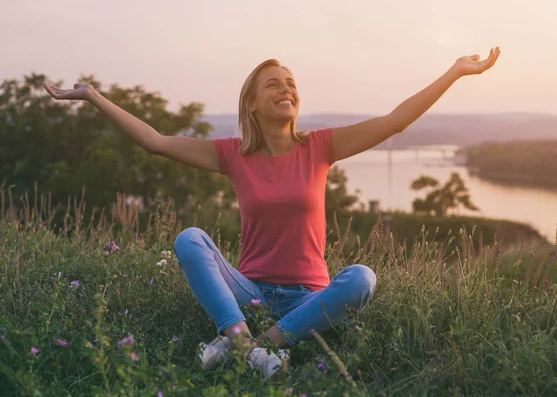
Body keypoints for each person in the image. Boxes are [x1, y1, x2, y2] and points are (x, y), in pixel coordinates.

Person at [43, 46, 501, 378]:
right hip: (252, 292)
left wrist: (455, 72)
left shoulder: (321, 146)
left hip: (309, 297)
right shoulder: (233, 154)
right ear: (253, 103)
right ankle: (252, 344)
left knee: (361, 278)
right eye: (273, 84)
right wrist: (93, 97)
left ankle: (250, 346)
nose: (286, 89)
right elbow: (155, 142)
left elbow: (396, 120)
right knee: (189, 239)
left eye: (291, 84)